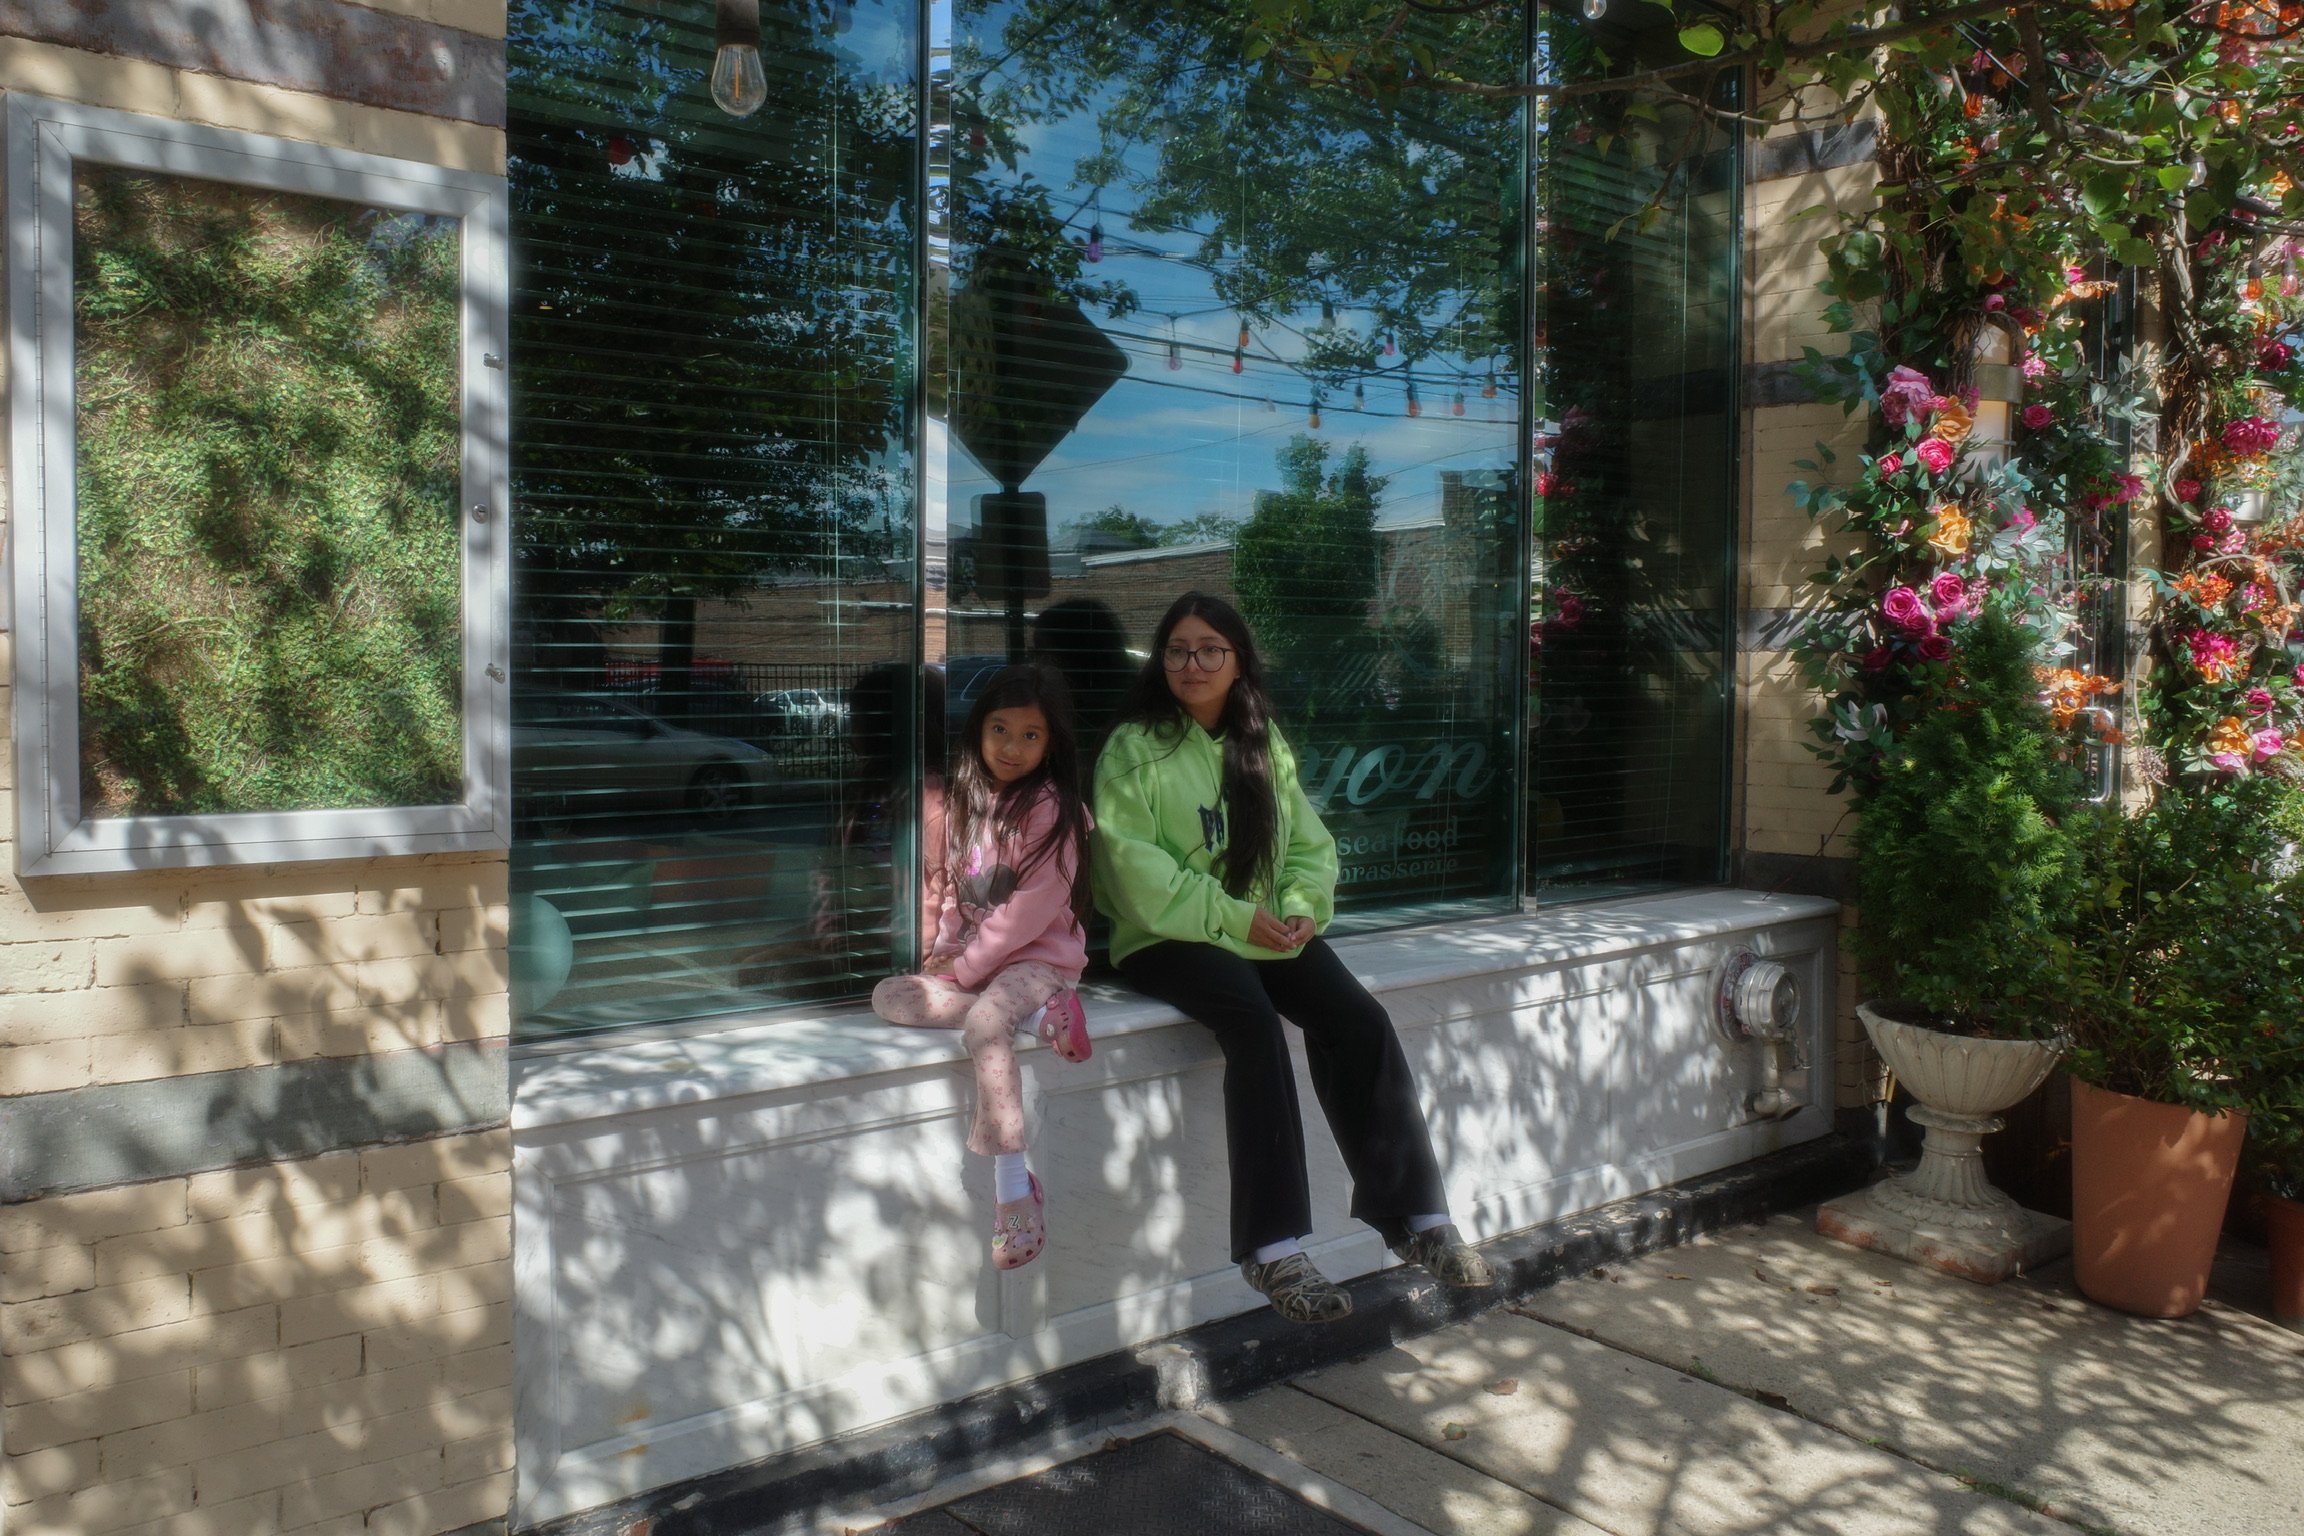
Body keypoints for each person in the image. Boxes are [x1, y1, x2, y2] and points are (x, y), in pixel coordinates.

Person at [1091, 592, 1491, 1323]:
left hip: (1260, 927)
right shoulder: (1132, 748)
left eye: (1211, 648)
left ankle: (1417, 1220)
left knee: (1357, 1020)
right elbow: (1134, 874)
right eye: (1178, 649)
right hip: (1164, 937)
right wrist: (1241, 917)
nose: (1193, 663)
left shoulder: (1259, 738)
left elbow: (1308, 843)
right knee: (1253, 1025)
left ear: (1239, 659)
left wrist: (1301, 908)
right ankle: (1272, 1252)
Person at [872, 664, 1094, 1271]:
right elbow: (951, 891)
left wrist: (966, 970)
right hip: (981, 968)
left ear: (1052, 744)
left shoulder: (1053, 810)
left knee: (985, 1025)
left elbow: (1029, 911)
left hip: (1039, 963)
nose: (1013, 747)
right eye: (1000, 729)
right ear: (977, 731)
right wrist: (940, 951)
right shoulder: (965, 803)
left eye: (1031, 735)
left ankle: (1013, 1194)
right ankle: (1042, 1022)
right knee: (891, 996)